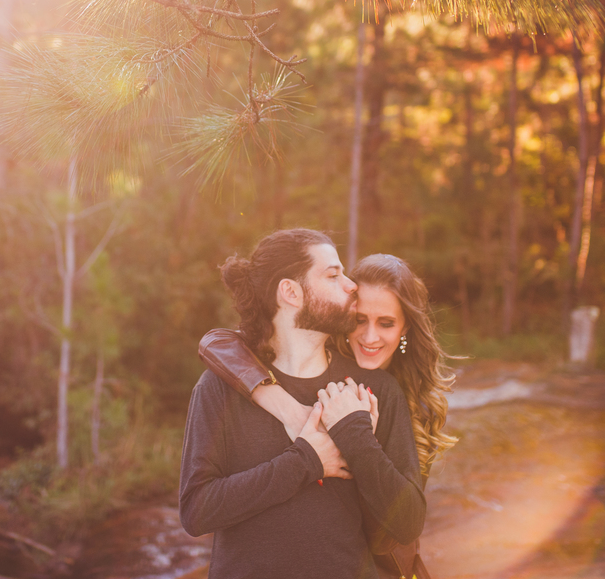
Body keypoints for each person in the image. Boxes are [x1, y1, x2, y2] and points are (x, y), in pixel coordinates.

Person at [180, 230, 426, 579]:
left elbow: (408, 523)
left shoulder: (375, 391)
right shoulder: (220, 387)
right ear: (291, 292)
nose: (351, 284)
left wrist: (355, 437)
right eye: (333, 274)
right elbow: (195, 512)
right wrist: (306, 461)